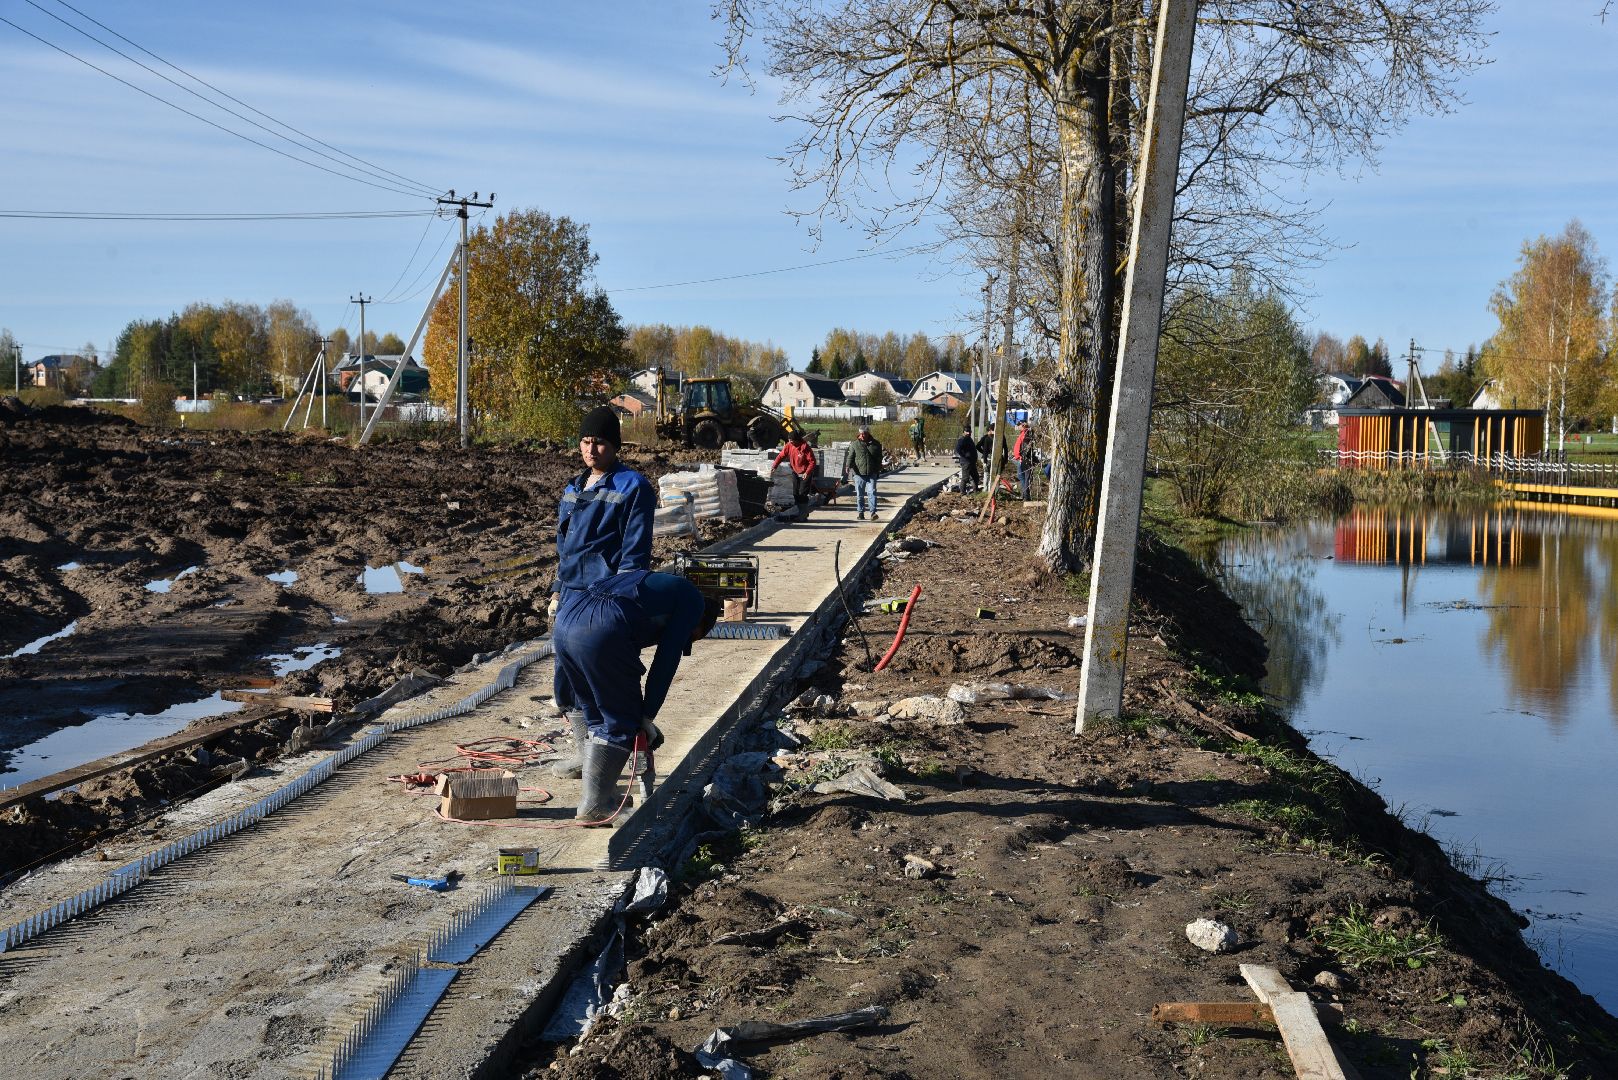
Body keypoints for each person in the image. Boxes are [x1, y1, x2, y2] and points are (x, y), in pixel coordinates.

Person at [551, 570, 723, 823]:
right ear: (699, 623)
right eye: (692, 637)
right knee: (620, 720)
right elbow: (666, 659)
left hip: (566, 622)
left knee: (597, 716)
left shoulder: (653, 586)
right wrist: (645, 715)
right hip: (602, 629)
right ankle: (596, 806)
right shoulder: (692, 601)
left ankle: (604, 794)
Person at [547, 405, 657, 779]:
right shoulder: (574, 487)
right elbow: (566, 547)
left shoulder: (632, 487)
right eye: (586, 442)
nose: (591, 450)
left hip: (602, 597)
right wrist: (558, 590)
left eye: (600, 443)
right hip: (572, 593)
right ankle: (586, 752)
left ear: (615, 446)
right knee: (567, 680)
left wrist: (619, 604)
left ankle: (613, 763)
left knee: (604, 681)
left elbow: (634, 553)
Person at [771, 427, 818, 514]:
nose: (790, 442)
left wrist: (807, 472)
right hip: (795, 472)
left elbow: (812, 461)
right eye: (789, 440)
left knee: (803, 494)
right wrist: (775, 465)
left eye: (791, 440)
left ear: (797, 440)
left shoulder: (805, 447)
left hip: (805, 473)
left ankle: (803, 514)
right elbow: (781, 456)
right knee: (795, 493)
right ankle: (800, 512)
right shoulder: (789, 446)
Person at [849, 424, 883, 519]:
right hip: (859, 473)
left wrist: (878, 468)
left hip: (872, 473)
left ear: (868, 433)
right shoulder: (855, 444)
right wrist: (848, 466)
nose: (863, 435)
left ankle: (873, 513)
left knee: (872, 492)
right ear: (859, 434)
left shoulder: (876, 444)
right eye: (861, 434)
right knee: (860, 494)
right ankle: (861, 513)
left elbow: (879, 457)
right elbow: (851, 457)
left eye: (865, 433)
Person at [954, 425, 981, 493]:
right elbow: (958, 449)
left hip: (972, 462)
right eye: (967, 431)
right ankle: (962, 492)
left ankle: (975, 490)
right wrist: (964, 456)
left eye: (969, 431)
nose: (968, 433)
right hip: (966, 462)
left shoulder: (969, 439)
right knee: (965, 478)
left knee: (975, 477)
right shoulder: (962, 439)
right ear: (964, 432)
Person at [1012, 419, 1034, 499]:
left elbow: (1026, 448)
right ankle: (1024, 494)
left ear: (1023, 425)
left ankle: (1026, 496)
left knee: (1026, 478)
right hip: (1020, 459)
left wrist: (1022, 457)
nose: (1018, 427)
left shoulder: (1027, 433)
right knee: (1021, 476)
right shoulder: (1023, 433)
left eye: (1019, 425)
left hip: (1024, 460)